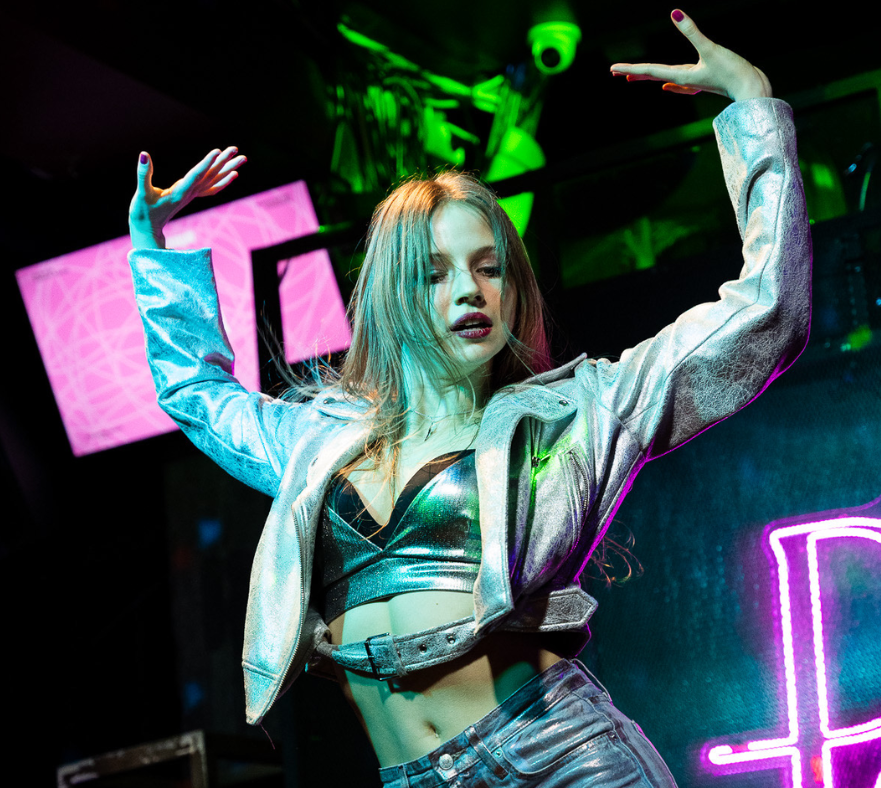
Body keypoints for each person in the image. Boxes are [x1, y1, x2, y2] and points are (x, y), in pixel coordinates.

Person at [127, 10, 810, 788]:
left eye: (489, 267)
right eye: (435, 272)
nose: (469, 291)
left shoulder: (579, 411)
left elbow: (768, 316)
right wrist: (154, 252)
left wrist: (752, 108)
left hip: (560, 758)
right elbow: (197, 392)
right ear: (393, 293)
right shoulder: (317, 439)